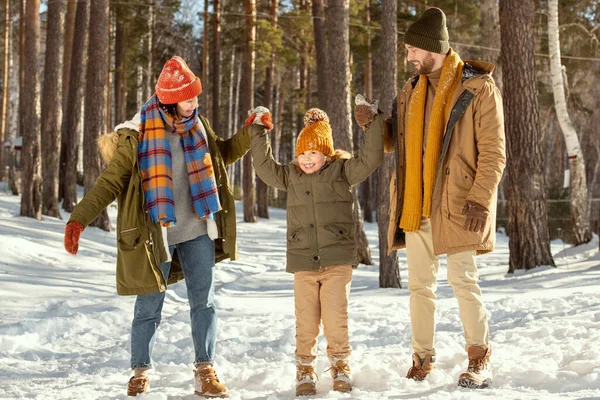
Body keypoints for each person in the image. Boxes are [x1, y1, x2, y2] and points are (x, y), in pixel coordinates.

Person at [63, 56, 250, 398]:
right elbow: (110, 181)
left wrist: (250, 131)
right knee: (148, 308)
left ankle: (205, 369)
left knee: (203, 303)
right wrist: (79, 218)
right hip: (156, 237)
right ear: (170, 99)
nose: (196, 103)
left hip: (198, 230)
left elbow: (221, 153)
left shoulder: (198, 125)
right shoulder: (137, 136)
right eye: (190, 97)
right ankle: (140, 371)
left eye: (196, 97)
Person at [355, 7, 506, 389]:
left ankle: (479, 357)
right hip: (416, 202)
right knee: (420, 287)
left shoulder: (477, 87)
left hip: (460, 203)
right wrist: (375, 125)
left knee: (463, 281)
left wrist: (480, 199)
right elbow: (401, 144)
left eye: (412, 50)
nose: (408, 57)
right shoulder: (410, 90)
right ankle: (422, 359)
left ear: (431, 48)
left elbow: (494, 151)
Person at [245, 104, 383, 396]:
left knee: (335, 319)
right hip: (303, 260)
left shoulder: (343, 171)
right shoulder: (290, 176)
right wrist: (258, 130)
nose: (307, 159)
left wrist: (371, 126)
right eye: (302, 153)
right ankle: (305, 370)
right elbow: (264, 167)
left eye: (313, 153)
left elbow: (370, 159)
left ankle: (341, 365)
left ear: (327, 153)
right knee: (305, 320)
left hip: (337, 261)